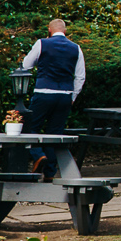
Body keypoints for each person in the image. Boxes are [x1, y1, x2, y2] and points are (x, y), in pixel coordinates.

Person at [20, 19, 86, 172]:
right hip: (64, 94)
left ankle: (38, 155)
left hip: (43, 92)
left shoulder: (42, 43)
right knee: (55, 133)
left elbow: (26, 65)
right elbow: (80, 76)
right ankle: (50, 172)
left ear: (49, 29)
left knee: (30, 127)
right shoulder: (76, 48)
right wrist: (72, 97)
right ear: (65, 31)